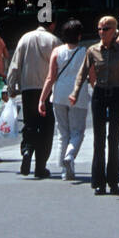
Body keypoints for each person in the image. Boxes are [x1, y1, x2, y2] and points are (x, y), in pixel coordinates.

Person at [71, 14, 119, 195]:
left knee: (114, 139)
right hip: (99, 94)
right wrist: (75, 93)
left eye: (106, 29)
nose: (101, 32)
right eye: (99, 28)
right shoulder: (92, 50)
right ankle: (99, 182)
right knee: (98, 140)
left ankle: (113, 181)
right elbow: (82, 74)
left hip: (117, 94)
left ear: (114, 31)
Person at [6, 10, 61, 179]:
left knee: (30, 124)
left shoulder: (25, 38)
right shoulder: (55, 41)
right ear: (52, 24)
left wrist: (11, 87)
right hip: (47, 90)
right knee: (46, 127)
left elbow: (15, 64)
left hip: (28, 89)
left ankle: (27, 150)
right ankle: (40, 166)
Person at [38, 18, 91, 181]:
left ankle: (64, 169)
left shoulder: (57, 52)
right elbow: (93, 77)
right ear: (79, 36)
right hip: (78, 94)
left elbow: (50, 77)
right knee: (78, 132)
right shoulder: (85, 52)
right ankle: (70, 155)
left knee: (63, 133)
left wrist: (42, 99)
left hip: (59, 94)